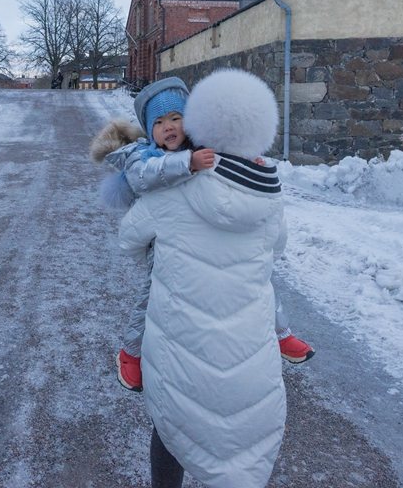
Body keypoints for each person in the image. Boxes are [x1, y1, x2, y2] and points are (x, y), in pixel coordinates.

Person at [119, 69, 289, 488]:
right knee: (245, 434)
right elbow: (276, 251)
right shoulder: (270, 197)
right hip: (249, 349)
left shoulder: (170, 190)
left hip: (182, 344)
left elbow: (128, 240)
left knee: (174, 424)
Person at [90, 77, 312, 395]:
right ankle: (131, 353)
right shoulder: (144, 156)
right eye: (159, 122)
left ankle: (281, 334)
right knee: (151, 297)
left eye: (176, 119)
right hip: (163, 242)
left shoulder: (202, 147)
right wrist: (187, 164)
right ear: (149, 130)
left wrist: (250, 164)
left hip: (200, 239)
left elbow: (228, 163)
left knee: (256, 275)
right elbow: (142, 179)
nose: (169, 127)